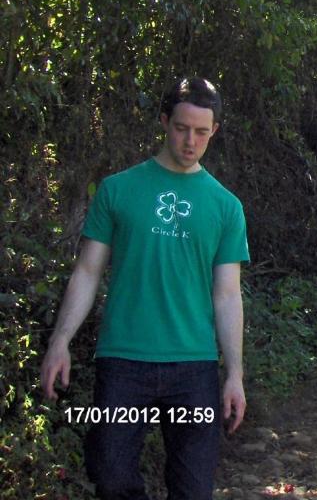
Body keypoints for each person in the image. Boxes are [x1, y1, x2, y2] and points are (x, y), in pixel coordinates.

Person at [40, 77, 249, 500]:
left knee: (193, 490)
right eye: (181, 128)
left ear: (214, 132)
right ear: (163, 122)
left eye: (201, 132)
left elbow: (226, 295)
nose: (190, 141)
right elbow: (87, 271)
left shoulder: (226, 206)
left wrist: (235, 373)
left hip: (194, 368)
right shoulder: (119, 189)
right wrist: (60, 340)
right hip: (123, 362)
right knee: (112, 478)